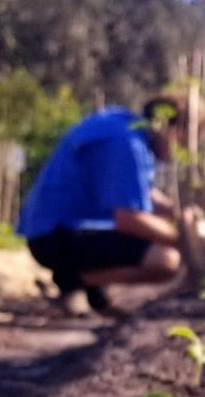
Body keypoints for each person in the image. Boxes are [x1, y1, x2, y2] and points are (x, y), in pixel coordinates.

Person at [17, 97, 188, 315]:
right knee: (166, 259)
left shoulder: (123, 127)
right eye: (188, 139)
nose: (186, 149)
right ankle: (71, 281)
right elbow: (129, 218)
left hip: (56, 230)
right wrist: (186, 241)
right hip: (56, 236)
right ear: (168, 127)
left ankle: (89, 291)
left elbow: (138, 193)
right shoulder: (126, 144)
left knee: (157, 235)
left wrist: (177, 213)